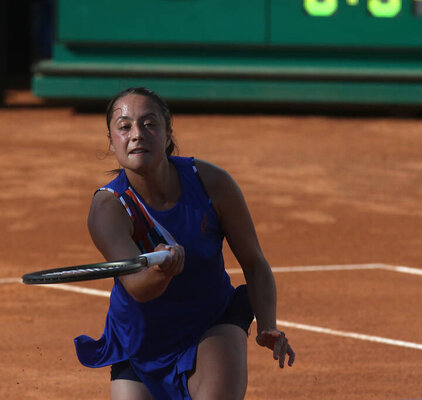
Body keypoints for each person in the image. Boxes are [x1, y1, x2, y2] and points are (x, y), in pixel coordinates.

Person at [75, 87, 295, 400]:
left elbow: (254, 261)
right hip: (140, 341)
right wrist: (160, 271)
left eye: (149, 124)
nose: (136, 134)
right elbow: (138, 287)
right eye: (124, 127)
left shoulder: (211, 183)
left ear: (167, 135)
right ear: (112, 142)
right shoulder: (107, 209)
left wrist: (267, 325)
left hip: (211, 323)